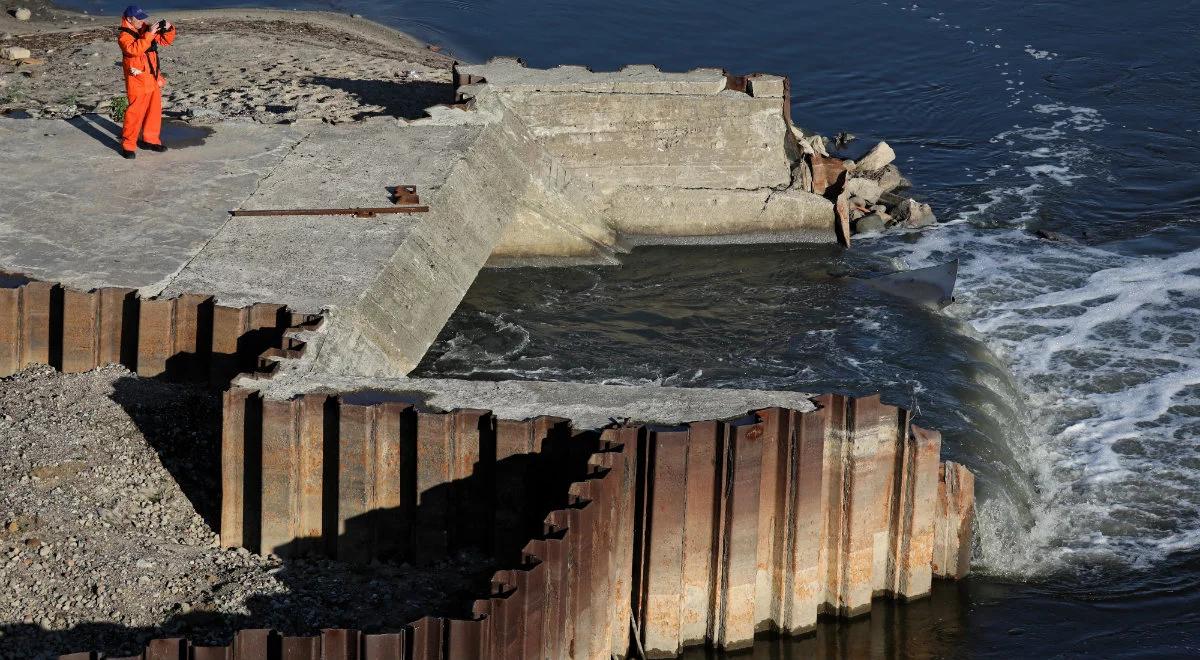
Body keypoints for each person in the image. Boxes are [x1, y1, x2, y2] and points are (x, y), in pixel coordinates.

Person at [117, 5, 175, 159]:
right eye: (139, 18)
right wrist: (149, 34)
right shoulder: (124, 36)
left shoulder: (144, 28)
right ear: (129, 19)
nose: (142, 20)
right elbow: (134, 50)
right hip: (137, 81)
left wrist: (168, 29)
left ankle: (150, 140)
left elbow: (165, 41)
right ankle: (128, 145)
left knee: (154, 112)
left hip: (153, 79)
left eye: (143, 17)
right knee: (134, 114)